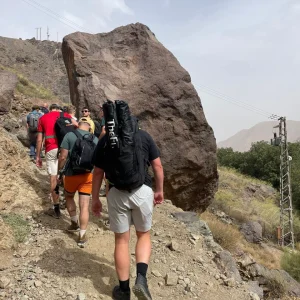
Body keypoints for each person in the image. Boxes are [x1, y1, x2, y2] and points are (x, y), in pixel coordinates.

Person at [91, 103, 164, 300]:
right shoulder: (144, 137)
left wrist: (95, 199)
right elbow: (157, 166)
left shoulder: (105, 140)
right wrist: (159, 190)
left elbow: (98, 172)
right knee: (143, 235)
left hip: (116, 193)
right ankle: (141, 279)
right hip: (142, 191)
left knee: (121, 240)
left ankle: (123, 291)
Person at [58, 117, 98, 247]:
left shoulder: (69, 135)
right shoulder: (95, 139)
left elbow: (63, 156)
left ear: (78, 124)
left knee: (69, 196)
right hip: (87, 176)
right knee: (84, 205)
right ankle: (82, 235)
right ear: (90, 127)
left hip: (71, 174)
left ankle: (74, 222)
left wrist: (60, 171)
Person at [36, 103, 76, 219]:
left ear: (49, 109)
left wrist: (38, 156)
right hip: (65, 148)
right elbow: (77, 127)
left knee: (53, 177)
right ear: (58, 109)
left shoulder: (43, 118)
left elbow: (39, 140)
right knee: (64, 174)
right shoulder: (66, 115)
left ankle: (56, 208)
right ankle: (67, 200)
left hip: (51, 148)